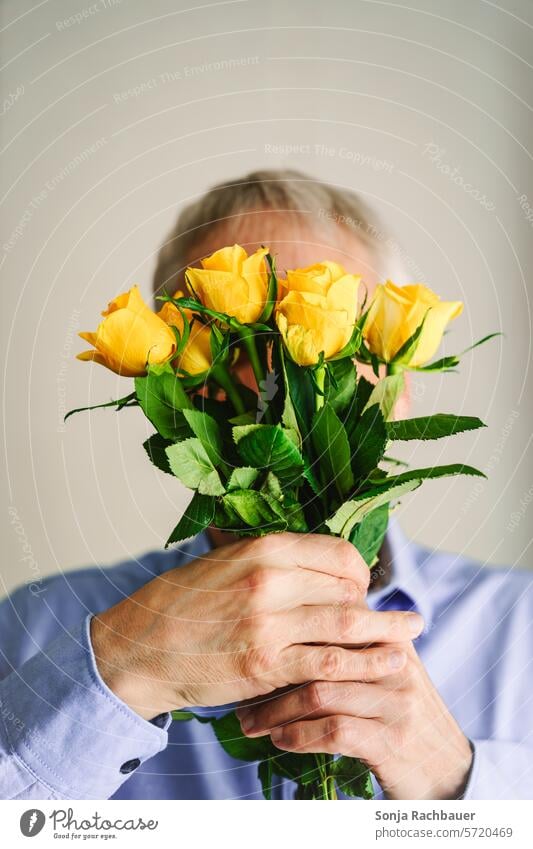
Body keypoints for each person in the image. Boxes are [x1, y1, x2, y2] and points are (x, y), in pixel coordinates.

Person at [1, 170, 531, 801]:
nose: (278, 375)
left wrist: (456, 783)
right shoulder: (37, 626)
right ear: (172, 379)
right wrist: (113, 675)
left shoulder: (520, 628)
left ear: (398, 383)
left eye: (329, 333)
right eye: (234, 336)